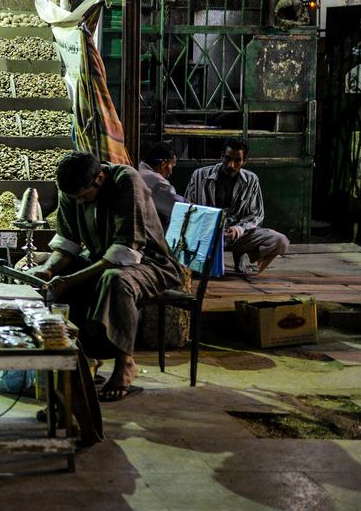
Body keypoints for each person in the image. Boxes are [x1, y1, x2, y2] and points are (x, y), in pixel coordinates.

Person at [27, 151, 183, 402]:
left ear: (99, 179)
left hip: (149, 263)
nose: (79, 203)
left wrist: (71, 280)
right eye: (74, 198)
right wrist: (49, 270)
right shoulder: (70, 190)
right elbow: (67, 245)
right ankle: (84, 357)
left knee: (115, 280)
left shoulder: (126, 182)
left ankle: (125, 364)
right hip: (103, 257)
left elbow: (125, 251)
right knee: (67, 275)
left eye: (84, 197)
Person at [184, 138, 289, 276]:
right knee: (205, 272)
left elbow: (256, 215)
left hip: (237, 236)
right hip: (206, 235)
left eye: (237, 161)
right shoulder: (199, 176)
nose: (231, 165)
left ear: (243, 161)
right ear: (222, 156)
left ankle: (239, 255)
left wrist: (238, 229)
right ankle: (204, 259)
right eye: (227, 159)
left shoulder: (252, 180)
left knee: (280, 241)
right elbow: (187, 209)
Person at [138, 141, 186, 227]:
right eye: (172, 166)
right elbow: (180, 209)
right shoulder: (157, 182)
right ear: (163, 164)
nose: (171, 171)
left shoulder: (139, 169)